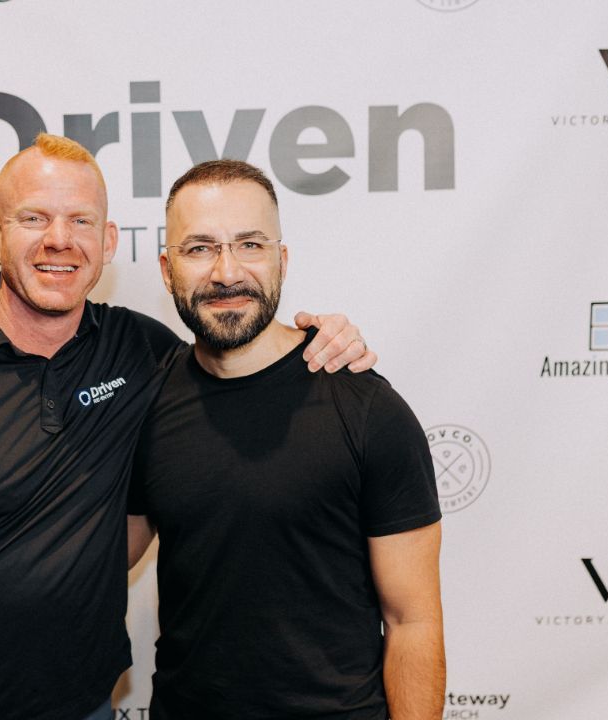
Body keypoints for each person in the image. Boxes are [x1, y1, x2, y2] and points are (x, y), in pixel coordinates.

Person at [0, 135, 375, 720]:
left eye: (81, 220)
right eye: (34, 217)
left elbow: (236, 350)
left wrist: (324, 335)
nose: (59, 239)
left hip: (85, 708)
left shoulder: (143, 353)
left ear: (107, 243)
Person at [127, 160, 444, 720]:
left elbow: (412, 621)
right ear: (166, 267)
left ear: (282, 259)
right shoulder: (144, 405)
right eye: (199, 248)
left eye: (250, 244)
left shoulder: (366, 409)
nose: (227, 272)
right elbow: (97, 560)